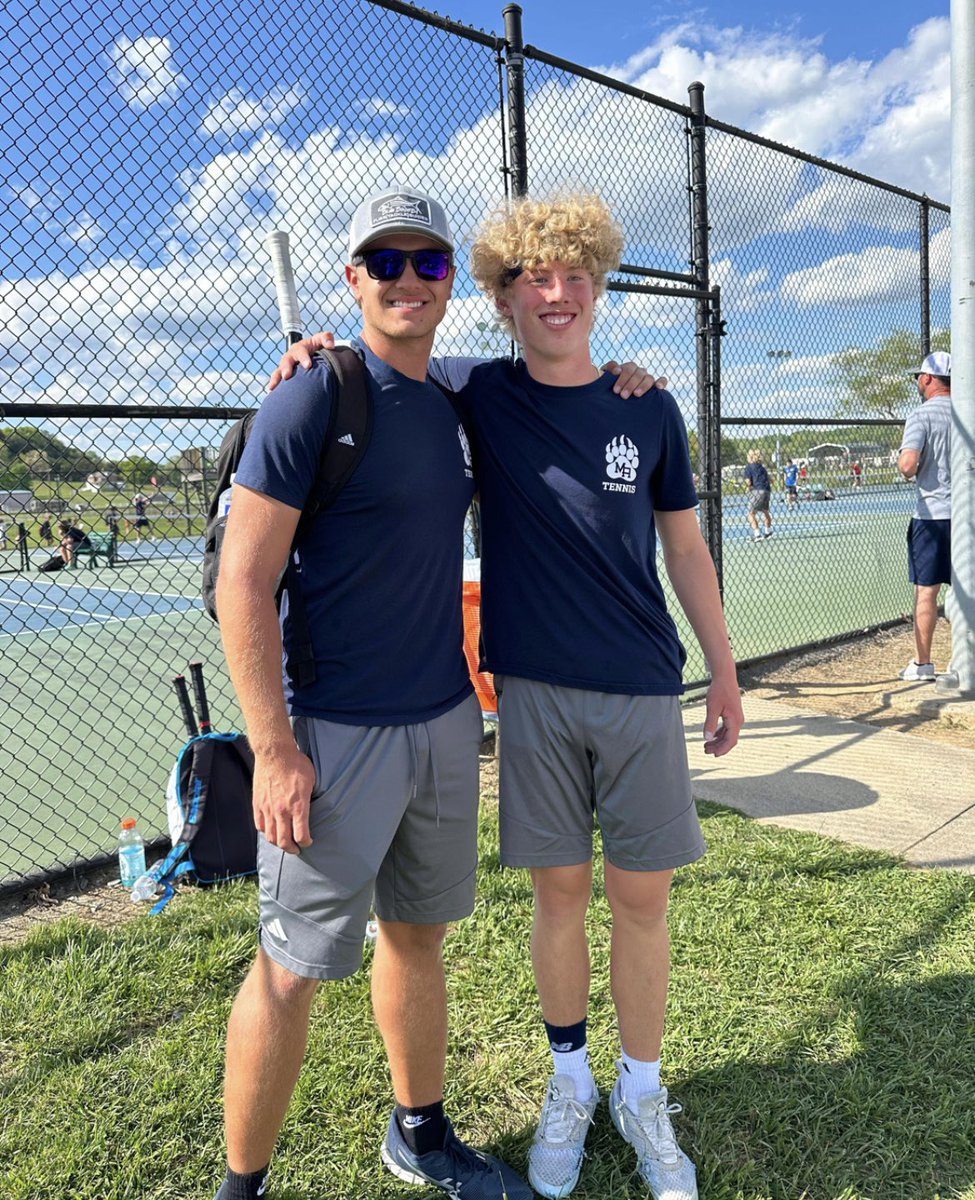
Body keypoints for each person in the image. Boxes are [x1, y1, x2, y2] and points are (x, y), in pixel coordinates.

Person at [215, 188, 655, 1200]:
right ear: (355, 278)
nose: (409, 279)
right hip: (333, 736)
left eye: (431, 263)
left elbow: (558, 379)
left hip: (446, 724)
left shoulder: (459, 395)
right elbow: (243, 582)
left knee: (418, 938)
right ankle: (241, 1187)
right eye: (387, 262)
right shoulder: (312, 395)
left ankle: (419, 1133)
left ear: (455, 283)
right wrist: (275, 750)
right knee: (289, 970)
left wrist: (629, 377)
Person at [897, 350, 952, 682]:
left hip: (931, 517)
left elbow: (907, 465)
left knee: (926, 591)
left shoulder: (921, 415)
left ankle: (923, 664)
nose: (918, 381)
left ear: (929, 378)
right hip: (967, 515)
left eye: (920, 376)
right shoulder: (968, 411)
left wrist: (907, 463)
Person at [743, 448, 772, 540]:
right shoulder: (762, 468)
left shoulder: (749, 467)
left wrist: (748, 486)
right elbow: (771, 480)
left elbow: (748, 482)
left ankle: (757, 534)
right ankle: (768, 532)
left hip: (757, 491)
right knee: (765, 511)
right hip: (767, 490)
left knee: (751, 513)